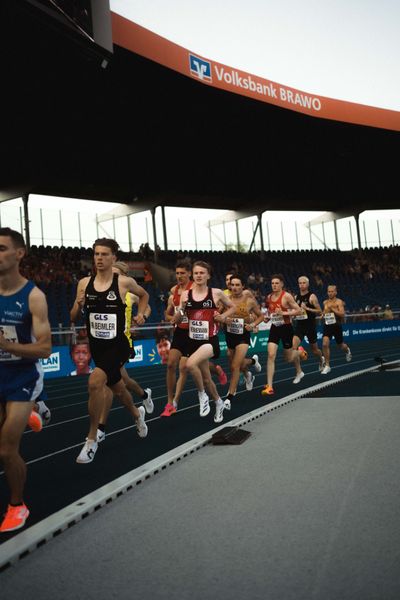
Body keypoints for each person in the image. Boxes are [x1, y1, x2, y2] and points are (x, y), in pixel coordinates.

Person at [70, 238, 150, 464]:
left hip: (119, 345)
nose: (99, 258)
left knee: (95, 382)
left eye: (105, 254)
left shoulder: (124, 282)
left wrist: (142, 314)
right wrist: (78, 303)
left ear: (114, 257)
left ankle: (91, 439)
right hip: (97, 346)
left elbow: (145, 296)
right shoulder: (84, 284)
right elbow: (72, 317)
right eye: (96, 254)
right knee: (118, 388)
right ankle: (137, 414)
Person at [0, 228, 52, 532]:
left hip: (22, 375)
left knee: (7, 450)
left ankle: (17, 506)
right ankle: (27, 415)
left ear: (19, 253)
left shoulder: (33, 297)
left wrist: (8, 347)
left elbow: (44, 348)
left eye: (2, 248)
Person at [96, 261, 154, 443]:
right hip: (103, 344)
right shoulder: (102, 291)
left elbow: (148, 304)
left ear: (124, 276)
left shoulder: (130, 294)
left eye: (115, 273)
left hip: (123, 343)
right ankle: (144, 397)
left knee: (107, 384)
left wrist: (142, 315)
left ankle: (100, 428)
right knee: (123, 382)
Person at [172, 261, 236, 423]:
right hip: (193, 341)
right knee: (207, 379)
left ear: (208, 275)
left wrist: (222, 317)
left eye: (202, 273)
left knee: (189, 364)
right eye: (196, 273)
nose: (199, 276)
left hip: (210, 341)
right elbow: (178, 319)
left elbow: (233, 307)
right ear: (192, 276)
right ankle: (218, 402)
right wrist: (182, 308)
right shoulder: (186, 294)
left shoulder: (216, 293)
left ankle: (202, 396)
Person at [261, 274, 307, 396]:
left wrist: (284, 312)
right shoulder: (269, 297)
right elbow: (270, 312)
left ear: (281, 284)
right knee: (271, 354)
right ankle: (270, 386)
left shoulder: (286, 296)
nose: (274, 285)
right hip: (275, 328)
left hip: (286, 328)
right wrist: (267, 318)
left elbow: (299, 311)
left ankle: (300, 352)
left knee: (288, 358)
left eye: (276, 283)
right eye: (272, 283)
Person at [222, 275, 263, 408]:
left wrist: (253, 325)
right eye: (232, 285)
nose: (234, 287)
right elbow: (217, 316)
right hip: (229, 335)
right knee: (234, 363)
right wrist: (223, 319)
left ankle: (230, 396)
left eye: (237, 285)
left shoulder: (249, 301)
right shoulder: (226, 300)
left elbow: (261, 316)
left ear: (243, 286)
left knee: (235, 365)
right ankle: (253, 362)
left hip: (243, 336)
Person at [292, 275, 325, 371]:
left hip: (310, 326)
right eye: (300, 283)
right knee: (293, 347)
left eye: (304, 283)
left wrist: (307, 308)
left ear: (308, 284)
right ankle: (299, 371)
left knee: (315, 351)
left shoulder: (312, 296)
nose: (302, 285)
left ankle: (321, 359)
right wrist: (293, 315)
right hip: (300, 326)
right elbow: (295, 310)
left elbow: (319, 311)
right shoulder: (296, 297)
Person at [321, 285, 352, 374]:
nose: (330, 293)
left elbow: (342, 314)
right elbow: (325, 312)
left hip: (336, 325)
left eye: (332, 291)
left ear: (335, 292)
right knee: (325, 343)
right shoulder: (325, 302)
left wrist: (333, 309)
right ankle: (327, 365)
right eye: (328, 291)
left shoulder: (339, 302)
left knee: (341, 345)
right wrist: (323, 314)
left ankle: (348, 350)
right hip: (327, 325)